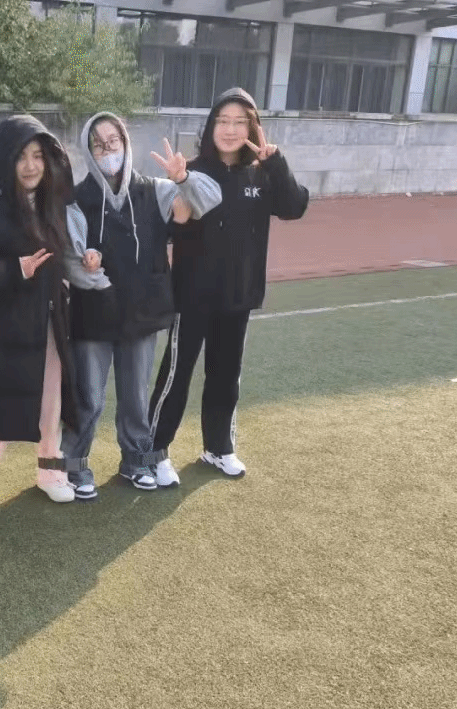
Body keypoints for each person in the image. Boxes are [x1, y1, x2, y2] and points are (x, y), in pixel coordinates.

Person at [148, 88, 309, 481]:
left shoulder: (262, 173)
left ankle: (218, 448)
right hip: (193, 295)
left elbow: (294, 207)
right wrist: (178, 186)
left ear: (252, 128)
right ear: (211, 126)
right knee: (176, 374)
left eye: (239, 122)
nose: (230, 130)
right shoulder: (191, 170)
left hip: (238, 295)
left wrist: (276, 163)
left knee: (225, 376)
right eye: (223, 121)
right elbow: (169, 228)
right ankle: (153, 451)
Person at [61, 112, 222, 498]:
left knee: (135, 398)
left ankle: (136, 461)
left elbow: (210, 199)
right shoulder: (76, 199)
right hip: (93, 316)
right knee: (89, 398)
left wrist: (184, 178)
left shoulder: (155, 190)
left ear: (125, 143)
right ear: (88, 151)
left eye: (113, 141)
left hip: (141, 314)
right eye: (98, 145)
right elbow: (70, 256)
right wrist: (91, 270)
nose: (107, 151)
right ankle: (74, 465)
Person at [0, 114, 79, 515]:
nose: (30, 166)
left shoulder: (53, 202)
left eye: (38, 156)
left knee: (52, 398)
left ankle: (50, 470)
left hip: (51, 322)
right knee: (0, 399)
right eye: (21, 156)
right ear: (6, 159)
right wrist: (12, 270)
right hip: (5, 328)